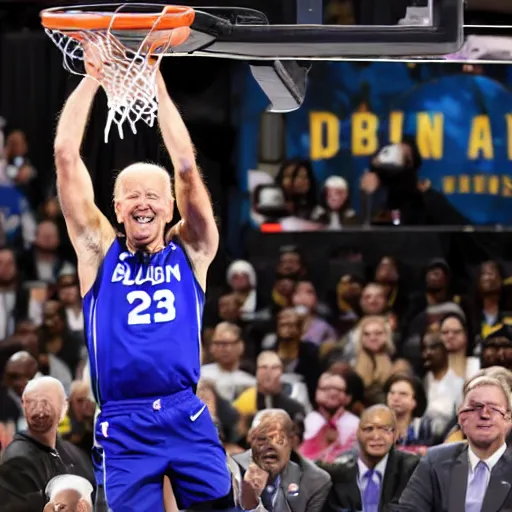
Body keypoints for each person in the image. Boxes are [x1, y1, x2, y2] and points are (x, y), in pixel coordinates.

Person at [53, 57, 231, 511]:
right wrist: (93, 76)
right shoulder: (98, 252)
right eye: (132, 195)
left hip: (183, 410)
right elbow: (65, 155)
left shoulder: (192, 251)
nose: (143, 202)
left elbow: (187, 167)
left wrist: (157, 84)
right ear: (116, 208)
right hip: (122, 420)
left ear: (169, 206)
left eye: (153, 194)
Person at [390, 374, 512, 511]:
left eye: (494, 408)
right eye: (475, 407)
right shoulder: (435, 461)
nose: (484, 415)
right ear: (461, 418)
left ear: (508, 420)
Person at [320, 405, 419, 512]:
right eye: (369, 429)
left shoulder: (412, 470)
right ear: (357, 433)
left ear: (395, 434)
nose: (376, 436)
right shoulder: (337, 473)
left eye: (385, 429)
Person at [232, 409, 332, 512]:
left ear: (292, 441)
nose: (269, 446)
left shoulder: (316, 481)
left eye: (278, 439)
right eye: (262, 438)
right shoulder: (231, 468)